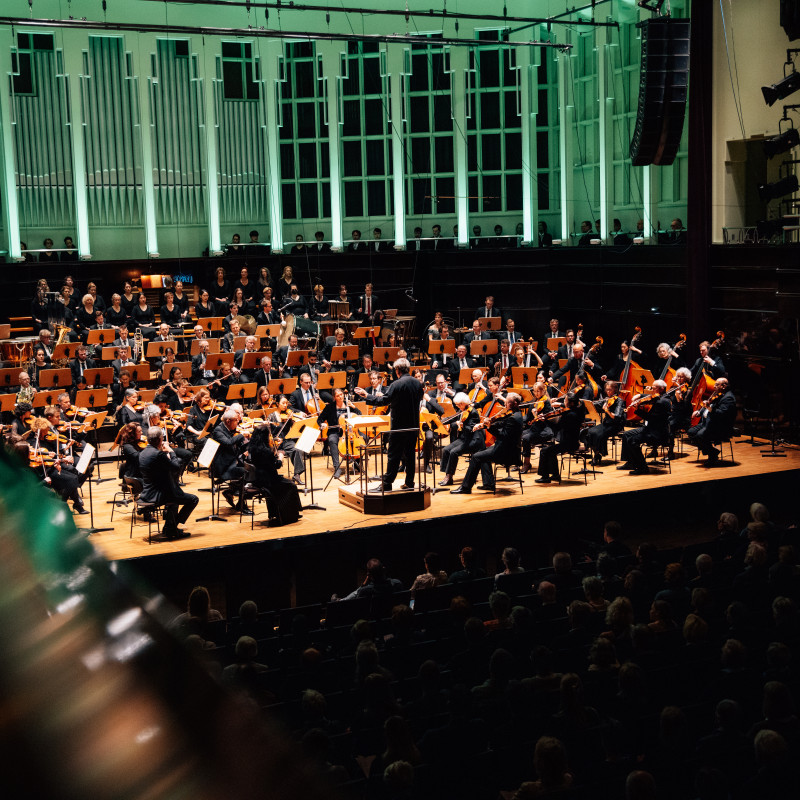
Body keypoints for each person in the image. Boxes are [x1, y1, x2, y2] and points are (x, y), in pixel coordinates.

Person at [355, 357, 423, 492]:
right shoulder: (417, 383)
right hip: (414, 426)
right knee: (410, 455)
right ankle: (409, 483)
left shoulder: (396, 384)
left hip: (399, 427)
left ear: (397, 370)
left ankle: (387, 484)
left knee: (393, 455)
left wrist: (367, 395)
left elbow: (383, 401)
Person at [451, 392, 523, 494]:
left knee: (476, 456)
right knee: (482, 452)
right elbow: (501, 422)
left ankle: (466, 487)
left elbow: (502, 436)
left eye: (507, 402)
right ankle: (488, 484)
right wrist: (483, 425)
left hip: (507, 452)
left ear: (514, 403)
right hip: (507, 448)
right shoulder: (516, 414)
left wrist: (489, 427)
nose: (505, 403)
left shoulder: (513, 418)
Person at [138, 425, 197, 539]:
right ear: (160, 439)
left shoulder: (143, 453)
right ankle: (172, 527)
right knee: (193, 499)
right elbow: (176, 466)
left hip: (147, 493)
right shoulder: (158, 454)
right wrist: (171, 451)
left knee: (174, 502)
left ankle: (169, 528)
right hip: (159, 495)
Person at [246, 423, 302, 524]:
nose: (270, 437)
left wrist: (275, 448)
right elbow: (276, 465)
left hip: (259, 478)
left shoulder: (253, 448)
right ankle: (291, 514)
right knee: (292, 486)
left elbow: (268, 460)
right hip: (269, 481)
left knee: (288, 484)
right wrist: (280, 457)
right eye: (269, 435)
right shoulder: (265, 451)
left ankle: (277, 513)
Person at [618, 379, 671, 475]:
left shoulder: (663, 402)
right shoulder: (659, 398)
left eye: (654, 388)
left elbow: (651, 418)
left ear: (662, 388)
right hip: (650, 429)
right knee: (626, 435)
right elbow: (650, 397)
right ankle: (630, 463)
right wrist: (640, 396)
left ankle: (642, 467)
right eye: (652, 388)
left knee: (632, 441)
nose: (652, 390)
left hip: (657, 433)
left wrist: (637, 410)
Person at [536, 391, 584, 484]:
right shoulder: (578, 411)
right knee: (551, 451)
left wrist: (545, 420)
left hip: (568, 444)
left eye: (565, 400)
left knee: (544, 451)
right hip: (574, 442)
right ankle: (555, 475)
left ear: (571, 403)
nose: (564, 402)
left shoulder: (569, 415)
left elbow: (557, 428)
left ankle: (545, 477)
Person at [211, 408, 252, 511]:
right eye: (236, 420)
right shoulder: (218, 431)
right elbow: (228, 442)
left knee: (252, 468)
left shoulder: (231, 429)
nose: (238, 422)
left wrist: (247, 447)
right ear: (228, 421)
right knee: (246, 472)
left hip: (232, 461)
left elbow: (239, 444)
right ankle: (241, 504)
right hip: (223, 467)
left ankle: (230, 491)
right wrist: (242, 435)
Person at [687, 377, 736, 463]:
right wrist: (699, 412)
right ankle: (712, 451)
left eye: (717, 385)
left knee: (700, 436)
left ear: (724, 386)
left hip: (719, 426)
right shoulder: (719, 395)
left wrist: (708, 407)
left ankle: (712, 454)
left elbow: (721, 414)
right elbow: (709, 405)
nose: (714, 386)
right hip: (708, 423)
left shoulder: (728, 398)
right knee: (691, 432)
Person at [438, 392, 482, 487]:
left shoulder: (473, 413)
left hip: (471, 440)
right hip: (463, 439)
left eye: (459, 405)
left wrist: (462, 425)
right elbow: (452, 418)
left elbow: (471, 429)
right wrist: (441, 422)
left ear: (463, 403)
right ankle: (447, 475)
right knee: (446, 449)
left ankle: (449, 477)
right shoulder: (461, 410)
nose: (458, 406)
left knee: (453, 452)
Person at [583, 380, 625, 465]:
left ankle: (597, 455)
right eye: (607, 389)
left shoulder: (619, 401)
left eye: (610, 390)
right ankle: (596, 454)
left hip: (615, 425)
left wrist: (607, 411)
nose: (608, 392)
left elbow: (616, 416)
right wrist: (588, 403)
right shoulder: (607, 399)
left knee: (598, 434)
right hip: (606, 424)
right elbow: (596, 404)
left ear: (615, 390)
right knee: (588, 432)